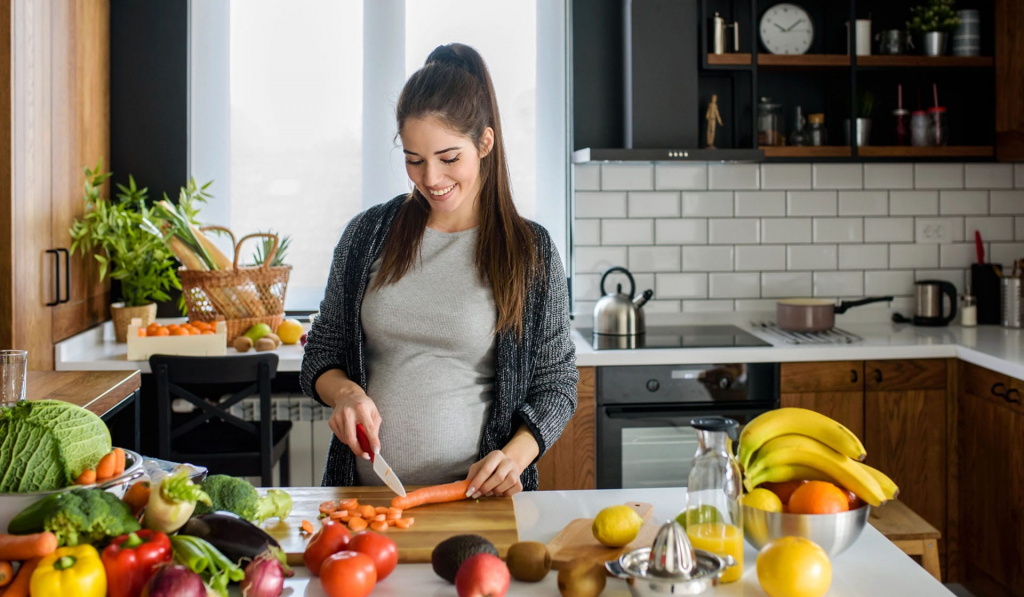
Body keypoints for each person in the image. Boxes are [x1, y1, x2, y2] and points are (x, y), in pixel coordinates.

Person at [300, 43, 577, 498]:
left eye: (449, 158)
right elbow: (322, 352)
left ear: (484, 142)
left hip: (478, 501)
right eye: (414, 160)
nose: (431, 178)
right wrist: (345, 394)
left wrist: (514, 457)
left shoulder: (530, 252)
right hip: (364, 500)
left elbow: (557, 383)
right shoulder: (367, 234)